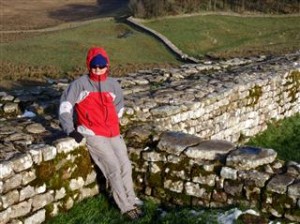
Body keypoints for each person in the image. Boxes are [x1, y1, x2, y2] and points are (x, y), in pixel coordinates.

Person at [59, 47, 143, 220]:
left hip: (113, 132)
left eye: (101, 66)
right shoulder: (79, 84)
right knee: (112, 167)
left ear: (107, 65)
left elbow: (119, 104)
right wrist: (71, 130)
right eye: (94, 66)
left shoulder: (113, 84)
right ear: (89, 65)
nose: (98, 69)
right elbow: (65, 107)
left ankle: (131, 198)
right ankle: (125, 207)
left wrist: (115, 121)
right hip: (92, 133)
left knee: (125, 165)